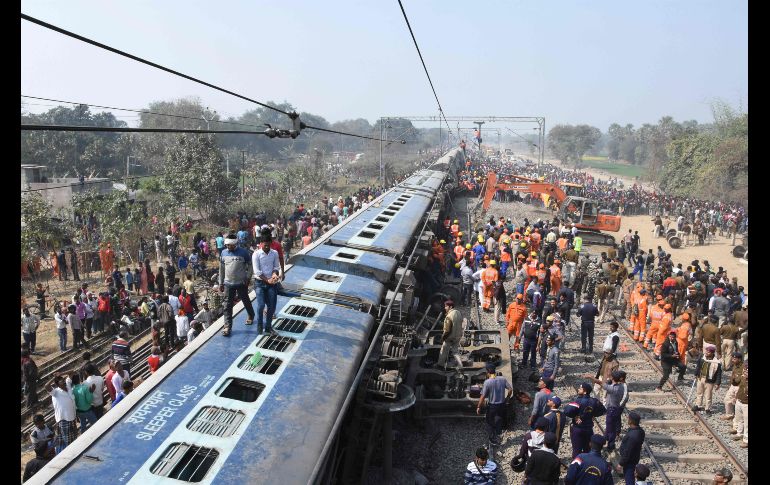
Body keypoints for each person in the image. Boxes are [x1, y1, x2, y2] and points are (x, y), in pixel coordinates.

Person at [219, 234, 255, 336]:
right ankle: (227, 326)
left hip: (241, 283)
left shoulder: (243, 252)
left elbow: (250, 265)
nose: (228, 247)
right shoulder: (223, 253)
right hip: (228, 284)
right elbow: (221, 269)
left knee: (245, 300)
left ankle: (251, 315)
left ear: (235, 244)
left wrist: (248, 278)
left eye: (230, 245)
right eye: (227, 245)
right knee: (227, 305)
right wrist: (220, 283)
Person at [587, 370, 628, 451]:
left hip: (612, 410)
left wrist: (591, 377)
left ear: (613, 378)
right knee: (611, 426)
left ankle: (611, 445)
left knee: (610, 428)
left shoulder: (613, 389)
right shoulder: (622, 386)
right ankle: (606, 437)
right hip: (616, 408)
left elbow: (599, 382)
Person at [564, 383, 606, 458]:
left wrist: (575, 416)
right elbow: (603, 411)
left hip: (578, 429)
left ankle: (577, 466)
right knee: (588, 449)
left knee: (577, 450)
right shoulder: (594, 401)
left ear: (585, 392)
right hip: (589, 429)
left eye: (580, 388)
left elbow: (566, 411)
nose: (578, 389)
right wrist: (592, 414)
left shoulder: (578, 401)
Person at [252, 231, 282, 334]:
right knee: (260, 306)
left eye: (268, 245)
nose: (267, 247)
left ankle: (268, 327)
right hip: (260, 283)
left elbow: (276, 267)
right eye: (265, 245)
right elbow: (257, 271)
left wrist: (274, 274)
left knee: (272, 306)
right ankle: (260, 325)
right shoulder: (256, 254)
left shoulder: (274, 253)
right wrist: (267, 280)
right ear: (261, 244)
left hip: (271, 283)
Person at [477, 362, 513, 446]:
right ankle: (498, 432)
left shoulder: (487, 382)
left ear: (487, 372)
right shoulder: (502, 379)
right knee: (499, 418)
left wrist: (478, 406)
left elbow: (482, 396)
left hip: (492, 406)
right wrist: (507, 398)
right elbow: (510, 389)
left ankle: (492, 439)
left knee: (489, 421)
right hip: (502, 404)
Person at [47, 374, 78, 453]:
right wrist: (54, 378)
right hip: (63, 420)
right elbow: (46, 386)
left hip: (72, 418)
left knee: (74, 438)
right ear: (57, 384)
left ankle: (75, 452)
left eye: (63, 380)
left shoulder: (68, 386)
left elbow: (72, 372)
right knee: (68, 442)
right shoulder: (55, 392)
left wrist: (61, 373)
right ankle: (71, 454)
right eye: (61, 382)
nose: (64, 382)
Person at [692, 344, 722, 414]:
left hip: (709, 381)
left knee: (708, 395)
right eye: (706, 351)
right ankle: (698, 405)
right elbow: (698, 366)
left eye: (708, 352)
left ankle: (708, 408)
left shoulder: (717, 362)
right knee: (699, 392)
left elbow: (718, 374)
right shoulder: (702, 358)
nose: (706, 353)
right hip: (700, 378)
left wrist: (717, 383)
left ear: (712, 353)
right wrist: (695, 374)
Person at [617, 413, 646, 482]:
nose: (628, 419)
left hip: (629, 461)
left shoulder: (632, 436)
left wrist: (620, 463)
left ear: (631, 421)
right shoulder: (640, 431)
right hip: (635, 457)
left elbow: (628, 451)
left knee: (629, 477)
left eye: (628, 418)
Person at [437, 300, 463, 368]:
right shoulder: (458, 313)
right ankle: (460, 365)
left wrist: (443, 338)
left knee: (444, 350)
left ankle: (440, 365)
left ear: (450, 307)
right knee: (455, 351)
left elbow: (447, 330)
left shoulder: (449, 316)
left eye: (446, 306)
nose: (445, 308)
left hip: (450, 337)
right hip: (458, 336)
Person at [731, 360, 747, 448]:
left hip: (746, 403)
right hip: (739, 400)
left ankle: (746, 440)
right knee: (739, 418)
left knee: (747, 422)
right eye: (744, 370)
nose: (745, 371)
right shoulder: (743, 377)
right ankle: (739, 433)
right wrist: (736, 397)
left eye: (746, 370)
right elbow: (739, 386)